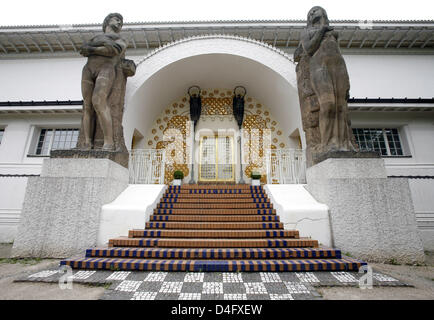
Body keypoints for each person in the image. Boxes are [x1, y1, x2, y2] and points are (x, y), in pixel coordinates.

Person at [300, 6, 357, 152]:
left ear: (323, 13)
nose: (313, 13)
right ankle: (326, 142)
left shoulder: (333, 33)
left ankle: (343, 143)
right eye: (310, 13)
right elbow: (309, 48)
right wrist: (321, 31)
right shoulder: (307, 32)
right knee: (328, 104)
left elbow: (339, 54)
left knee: (341, 107)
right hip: (320, 67)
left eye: (316, 10)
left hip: (338, 68)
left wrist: (348, 82)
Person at [79, 13, 127, 150]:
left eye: (121, 21)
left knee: (99, 101)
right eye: (116, 19)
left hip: (106, 68)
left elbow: (114, 50)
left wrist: (92, 48)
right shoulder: (95, 37)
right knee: (87, 105)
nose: (119, 22)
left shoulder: (120, 38)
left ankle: (108, 141)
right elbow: (83, 49)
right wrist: (104, 45)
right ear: (107, 21)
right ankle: (87, 142)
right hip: (88, 69)